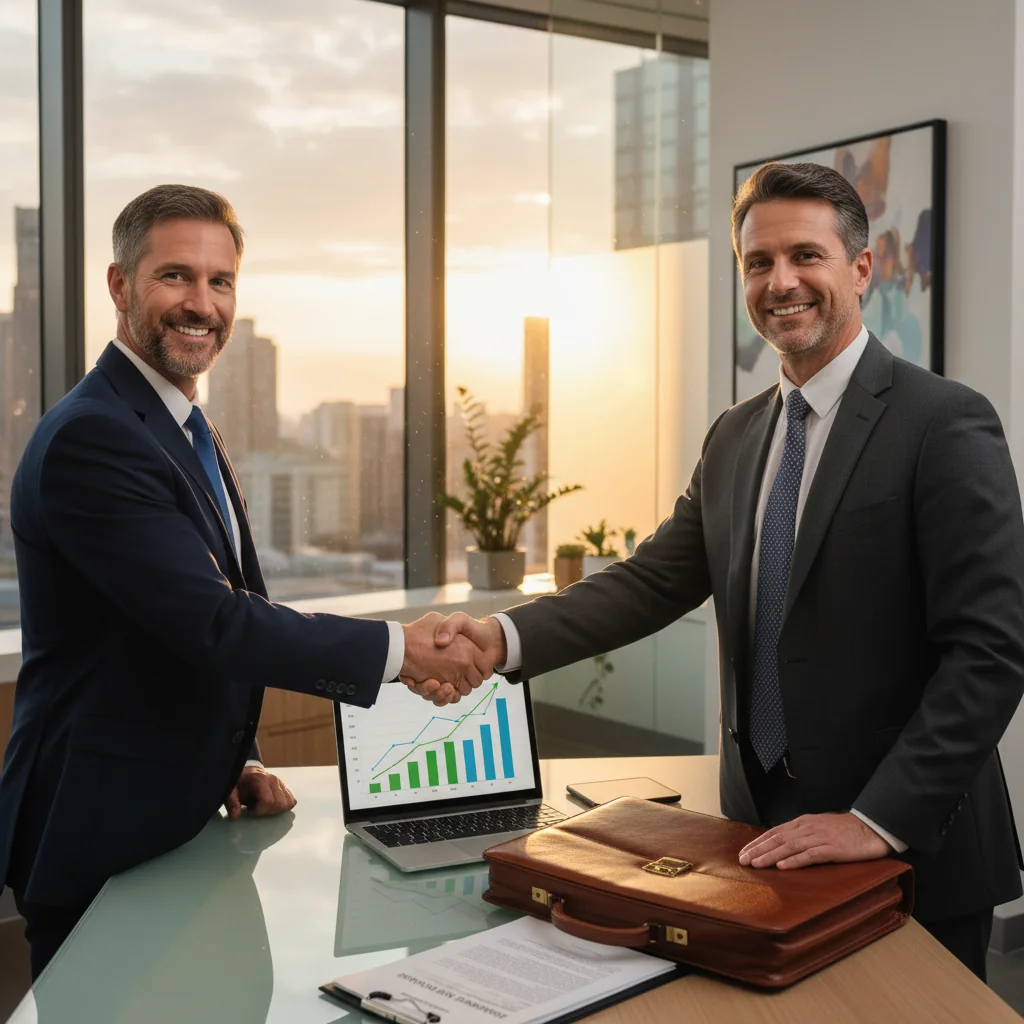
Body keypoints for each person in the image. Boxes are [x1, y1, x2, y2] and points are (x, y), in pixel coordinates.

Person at [420, 162, 1024, 980]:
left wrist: (876, 820)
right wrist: (499, 637)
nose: (781, 282)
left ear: (861, 268)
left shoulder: (944, 422)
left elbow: (990, 650)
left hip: (908, 846)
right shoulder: (736, 436)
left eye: (805, 256)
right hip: (755, 835)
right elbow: (651, 581)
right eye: (758, 263)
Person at [0, 184, 489, 978]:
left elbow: (200, 614)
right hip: (102, 833)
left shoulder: (182, 424)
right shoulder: (95, 436)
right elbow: (216, 625)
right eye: (175, 277)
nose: (202, 304)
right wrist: (407, 651)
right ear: (120, 285)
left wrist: (240, 758)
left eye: (220, 282)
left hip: (182, 819)